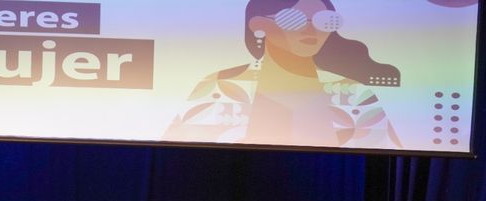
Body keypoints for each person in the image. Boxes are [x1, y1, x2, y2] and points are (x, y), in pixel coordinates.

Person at [164, 0, 401, 148]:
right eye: (294, 19)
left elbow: (383, 149)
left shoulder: (355, 93)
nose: (311, 29)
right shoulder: (219, 87)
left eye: (325, 21)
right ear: (258, 25)